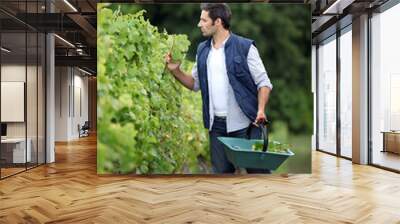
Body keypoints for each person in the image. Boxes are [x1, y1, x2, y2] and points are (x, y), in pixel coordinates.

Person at [165, 3, 273, 174]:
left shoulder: (245, 47)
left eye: (204, 20)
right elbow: (194, 84)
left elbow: (264, 83)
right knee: (221, 178)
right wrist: (175, 71)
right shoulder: (202, 50)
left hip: (244, 125)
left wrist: (260, 110)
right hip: (216, 128)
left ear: (218, 22)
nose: (199, 24)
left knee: (259, 174)